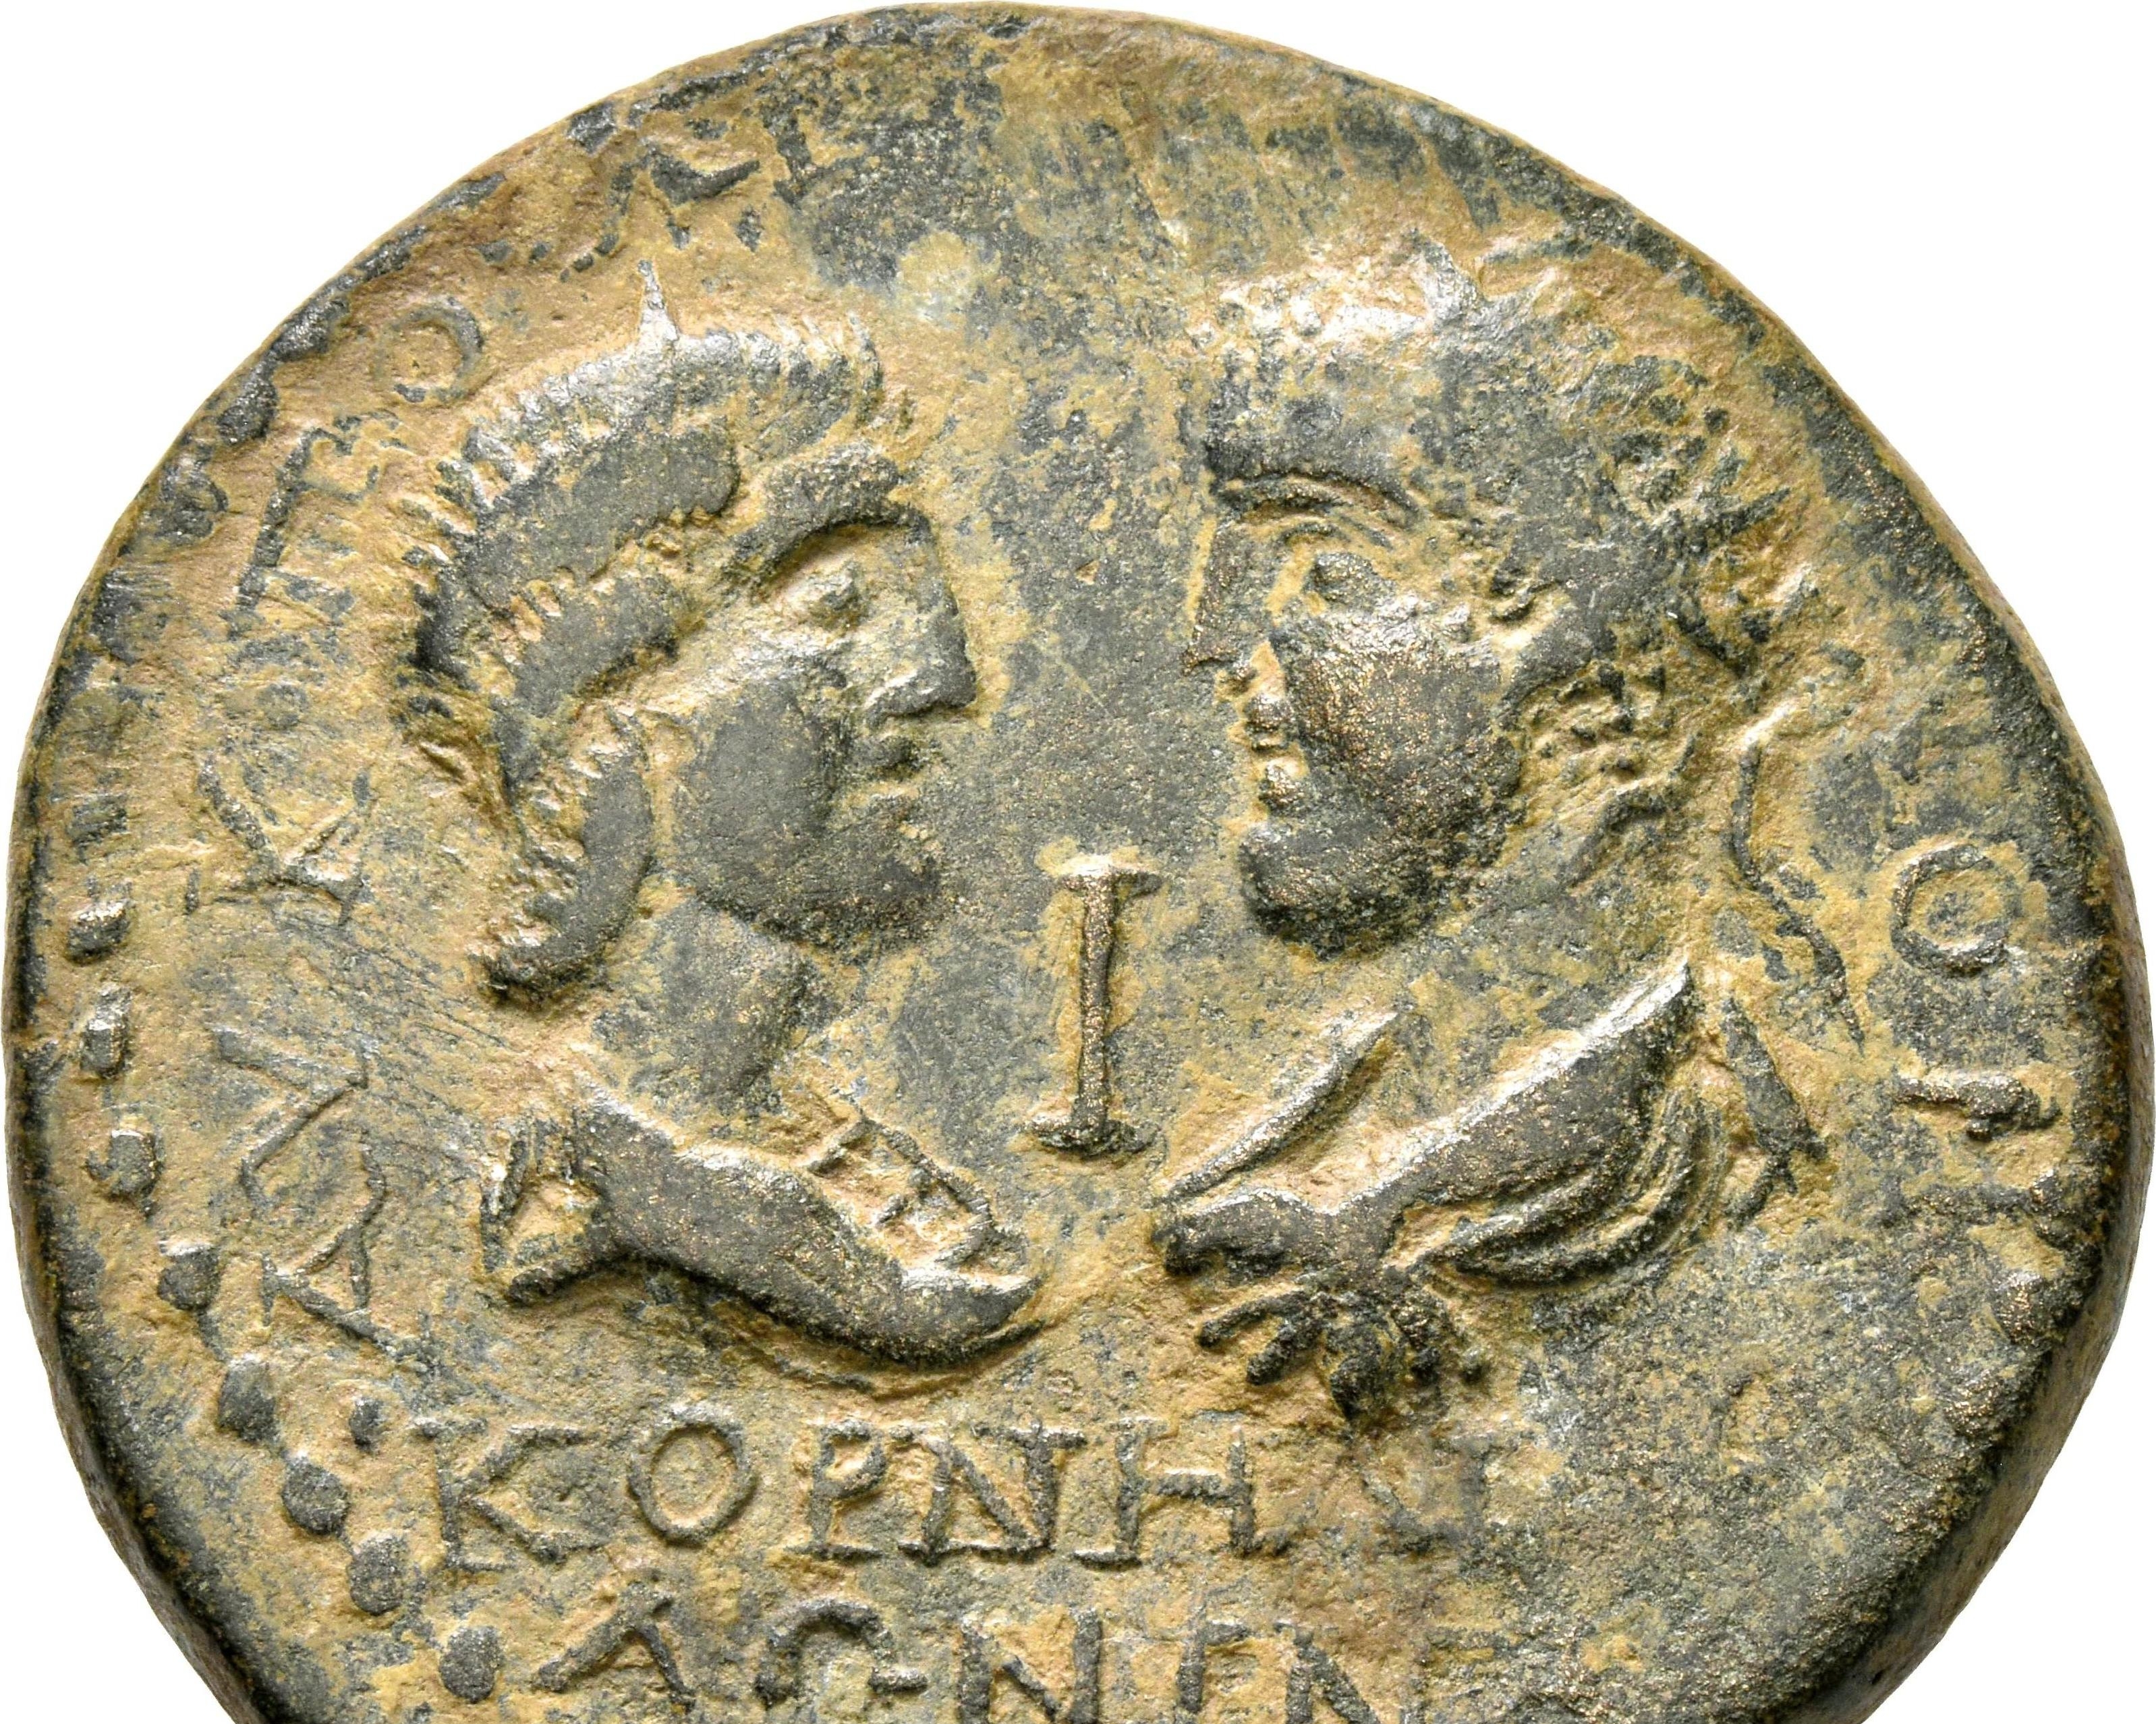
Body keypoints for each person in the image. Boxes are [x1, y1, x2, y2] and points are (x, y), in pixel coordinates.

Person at [1156, 246, 1838, 1421]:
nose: (1217, 639)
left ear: (1566, 635)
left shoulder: (1679, 1160)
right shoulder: (1333, 1109)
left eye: (1323, 563)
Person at [407, 268, 1033, 1366]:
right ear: (621, 711)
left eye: (927, 614)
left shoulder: (859, 1172)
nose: (946, 678)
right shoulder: (587, 1189)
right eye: (841, 609)